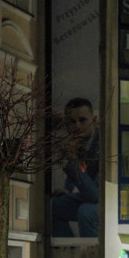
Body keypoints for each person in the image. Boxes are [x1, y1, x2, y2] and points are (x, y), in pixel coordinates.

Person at [52, 97, 100, 237]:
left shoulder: (103, 145)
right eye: (72, 122)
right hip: (89, 195)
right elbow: (76, 175)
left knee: (86, 212)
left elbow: (95, 197)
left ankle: (90, 253)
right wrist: (67, 189)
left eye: (82, 120)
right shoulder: (76, 142)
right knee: (53, 207)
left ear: (94, 120)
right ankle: (68, 248)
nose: (77, 126)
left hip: (110, 204)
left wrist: (72, 159)